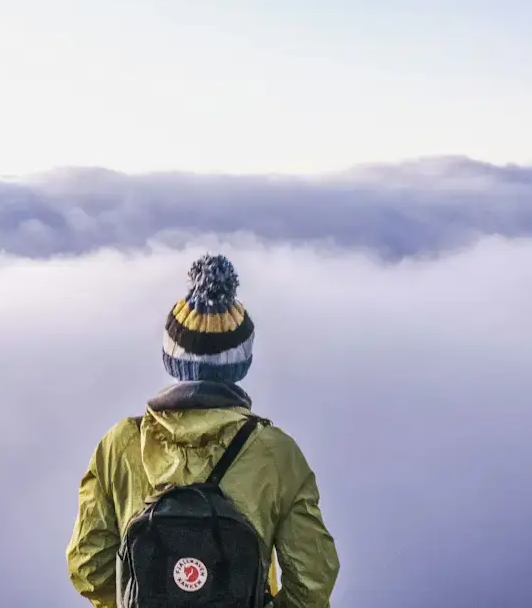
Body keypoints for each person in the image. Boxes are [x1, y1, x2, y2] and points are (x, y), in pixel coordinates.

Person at [66, 253, 340, 607]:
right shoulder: (276, 454)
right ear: (241, 364)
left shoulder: (120, 445)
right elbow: (312, 580)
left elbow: (88, 564)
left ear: (171, 359)